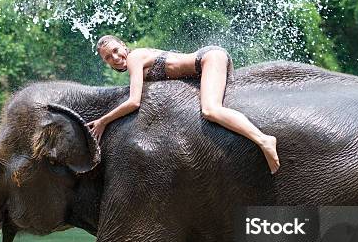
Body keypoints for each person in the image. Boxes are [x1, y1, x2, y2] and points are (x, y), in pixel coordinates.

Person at [87, 35, 280, 174]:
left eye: (115, 50)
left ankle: (264, 139)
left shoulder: (134, 58)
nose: (115, 57)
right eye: (108, 57)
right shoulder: (137, 58)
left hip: (208, 59)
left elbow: (134, 102)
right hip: (208, 62)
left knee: (210, 110)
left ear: (123, 45)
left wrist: (104, 120)